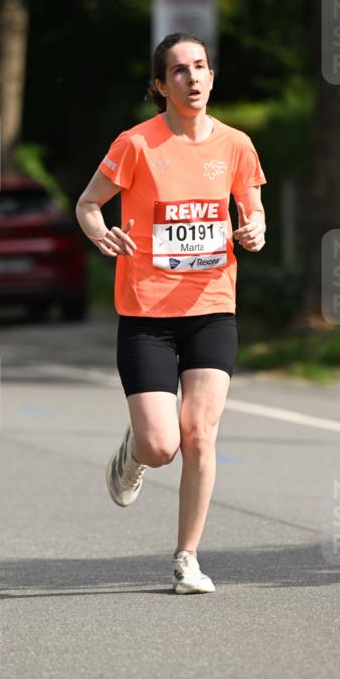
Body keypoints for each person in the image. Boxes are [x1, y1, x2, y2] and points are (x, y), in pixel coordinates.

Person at [75, 32, 266, 594]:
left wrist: (254, 230)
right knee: (163, 444)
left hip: (211, 307)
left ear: (211, 75)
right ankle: (133, 452)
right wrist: (100, 234)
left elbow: (252, 210)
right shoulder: (137, 144)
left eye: (201, 67)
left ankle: (187, 558)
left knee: (201, 434)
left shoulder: (236, 144)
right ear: (160, 85)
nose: (193, 78)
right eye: (179, 71)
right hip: (147, 313)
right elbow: (88, 204)